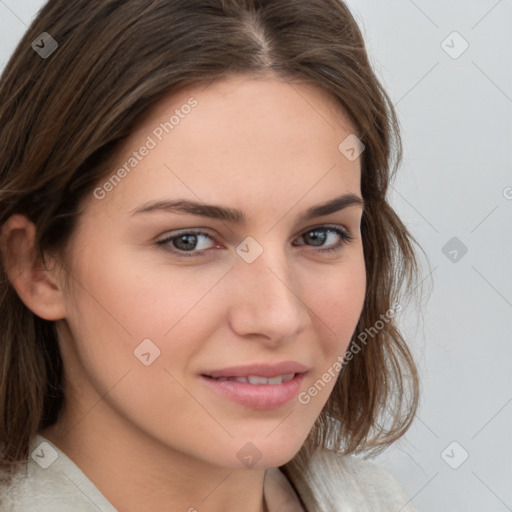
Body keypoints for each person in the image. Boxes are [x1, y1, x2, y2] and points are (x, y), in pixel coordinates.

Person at [0, 1, 422, 510]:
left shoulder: (375, 502)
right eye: (190, 241)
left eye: (319, 236)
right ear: (38, 267)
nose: (279, 316)